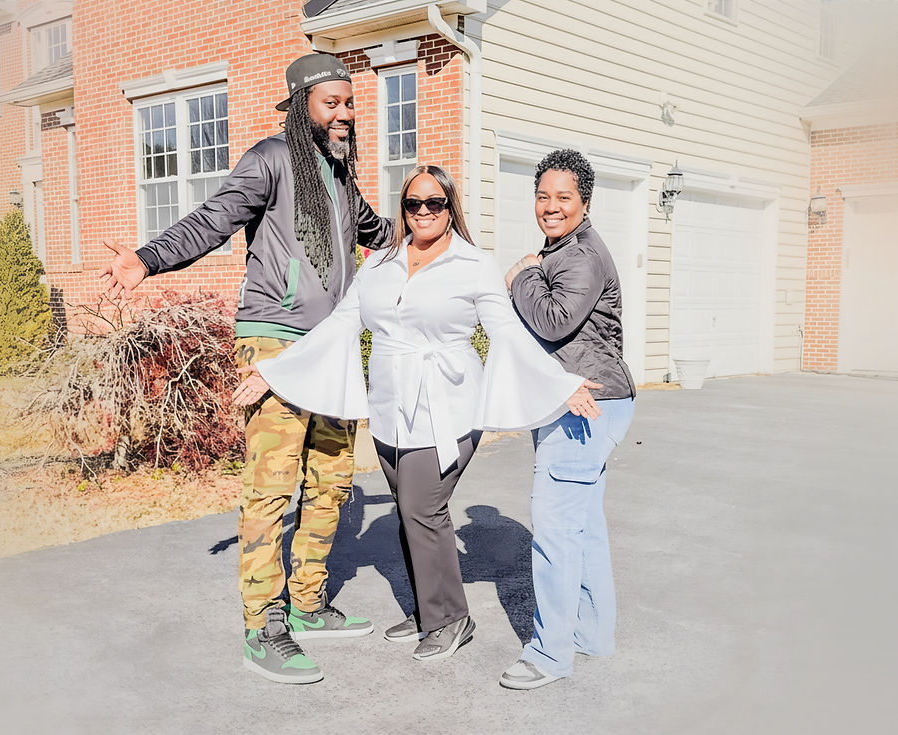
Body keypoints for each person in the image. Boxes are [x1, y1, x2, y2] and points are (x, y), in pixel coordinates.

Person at [98, 53, 394, 685]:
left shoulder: (343, 176)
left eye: (349, 102)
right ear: (301, 106)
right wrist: (148, 259)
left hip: (332, 349)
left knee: (332, 483)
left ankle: (308, 604)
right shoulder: (271, 159)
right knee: (271, 486)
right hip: (275, 341)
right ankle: (263, 626)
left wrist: (433, 231)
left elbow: (377, 231)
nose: (345, 112)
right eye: (331, 103)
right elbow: (215, 219)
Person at [234, 165, 602, 663]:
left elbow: (508, 333)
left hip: (450, 408)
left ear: (451, 207)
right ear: (402, 210)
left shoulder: (473, 264)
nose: (424, 212)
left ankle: (450, 617)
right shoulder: (379, 265)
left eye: (435, 203)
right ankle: (430, 610)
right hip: (391, 411)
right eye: (413, 204)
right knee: (410, 515)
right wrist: (275, 371)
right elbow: (340, 326)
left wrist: (560, 384)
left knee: (422, 509)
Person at [498, 149, 636, 690]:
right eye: (542, 196)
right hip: (592, 399)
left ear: (584, 202)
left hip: (586, 403)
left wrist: (520, 276)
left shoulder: (576, 256)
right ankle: (593, 634)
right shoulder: (566, 249)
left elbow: (554, 322)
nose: (550, 207)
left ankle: (550, 654)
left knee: (555, 532)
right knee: (584, 529)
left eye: (563, 198)